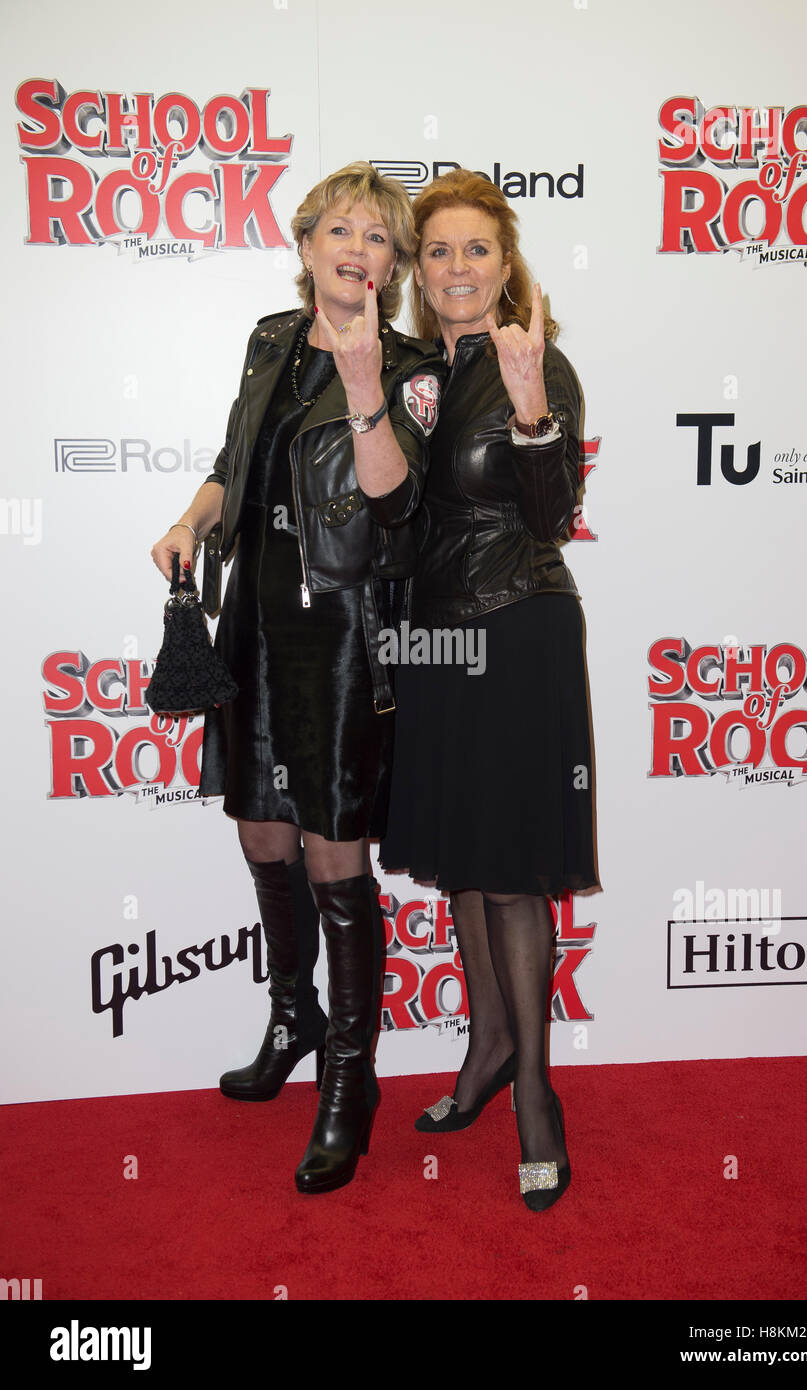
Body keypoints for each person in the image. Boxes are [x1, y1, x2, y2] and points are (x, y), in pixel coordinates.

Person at [150, 163, 442, 1195]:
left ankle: (349, 1078)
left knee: (331, 853)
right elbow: (239, 459)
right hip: (257, 622)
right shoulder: (271, 339)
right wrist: (192, 518)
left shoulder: (410, 364)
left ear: (394, 265)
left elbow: (394, 506)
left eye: (378, 235)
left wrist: (365, 389)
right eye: (339, 229)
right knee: (260, 829)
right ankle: (293, 1014)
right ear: (307, 243)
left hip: (345, 634)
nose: (356, 247)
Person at [379, 169, 601, 1212]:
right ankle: (485, 1050)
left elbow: (551, 515)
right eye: (438, 251)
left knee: (510, 872)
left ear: (504, 266)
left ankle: (536, 1095)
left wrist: (528, 410)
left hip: (517, 627)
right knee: (465, 862)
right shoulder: (411, 372)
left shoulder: (536, 359)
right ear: (418, 273)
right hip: (431, 639)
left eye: (476, 249)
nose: (456, 267)